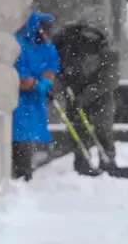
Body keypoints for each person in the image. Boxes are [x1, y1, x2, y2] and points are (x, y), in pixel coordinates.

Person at [51, 21, 120, 175]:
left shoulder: (107, 54)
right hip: (76, 90)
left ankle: (106, 161)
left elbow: (107, 81)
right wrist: (58, 86)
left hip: (96, 94)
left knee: (102, 127)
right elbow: (57, 71)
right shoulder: (67, 47)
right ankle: (83, 162)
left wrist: (82, 98)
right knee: (79, 127)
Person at [12, 10, 59, 181]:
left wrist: (45, 82)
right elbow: (18, 77)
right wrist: (31, 83)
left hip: (35, 104)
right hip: (18, 102)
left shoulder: (49, 49)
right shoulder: (18, 45)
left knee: (30, 138)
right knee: (19, 138)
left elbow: (50, 70)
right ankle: (21, 174)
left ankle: (25, 172)